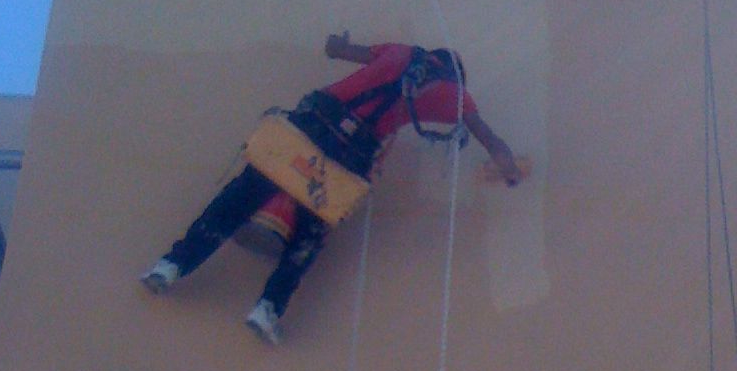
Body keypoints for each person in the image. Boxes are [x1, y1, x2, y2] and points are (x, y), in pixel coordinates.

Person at [141, 34, 522, 344]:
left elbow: (336, 50)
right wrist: (510, 170)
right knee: (308, 235)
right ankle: (267, 308)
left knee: (236, 202)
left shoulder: (399, 50)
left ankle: (170, 266)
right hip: (350, 154)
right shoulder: (453, 93)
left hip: (311, 122)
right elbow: (488, 138)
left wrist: (336, 42)